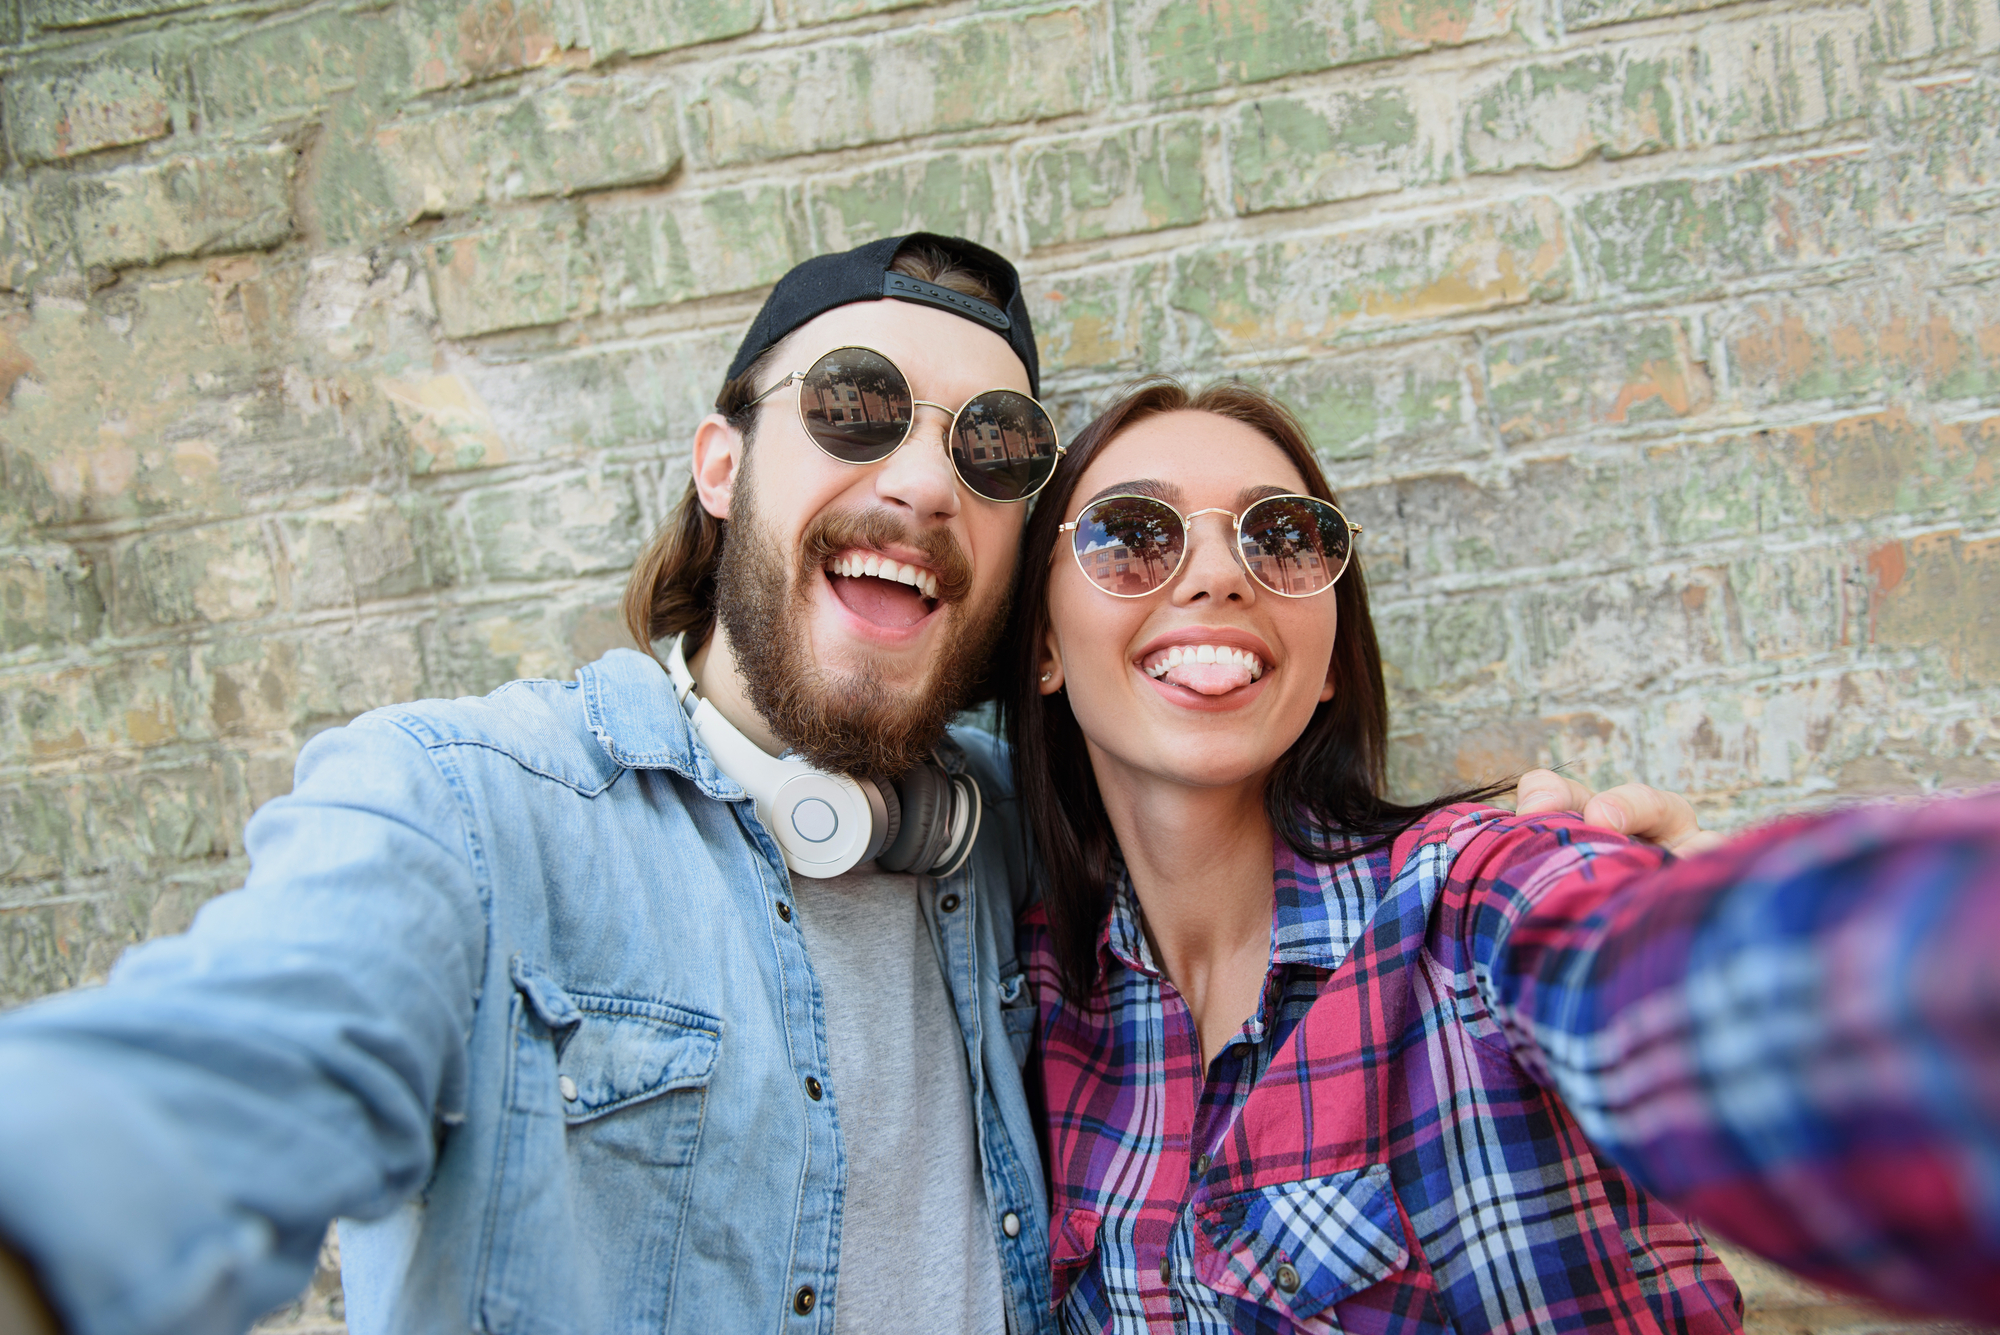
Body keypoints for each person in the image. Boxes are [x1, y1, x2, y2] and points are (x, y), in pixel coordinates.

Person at [0, 234, 1712, 1335]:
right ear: (722, 461)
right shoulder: (466, 815)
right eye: (855, 409)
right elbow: (228, 1072)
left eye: (991, 456)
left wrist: (1536, 849)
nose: (919, 481)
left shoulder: (1029, 877)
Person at [1004, 378, 2000, 1333]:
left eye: (1280, 538)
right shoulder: (1035, 994)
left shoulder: (1471, 900)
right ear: (1043, 642)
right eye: (1130, 535)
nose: (1219, 574)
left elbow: (1727, 995)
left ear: (1322, 666)